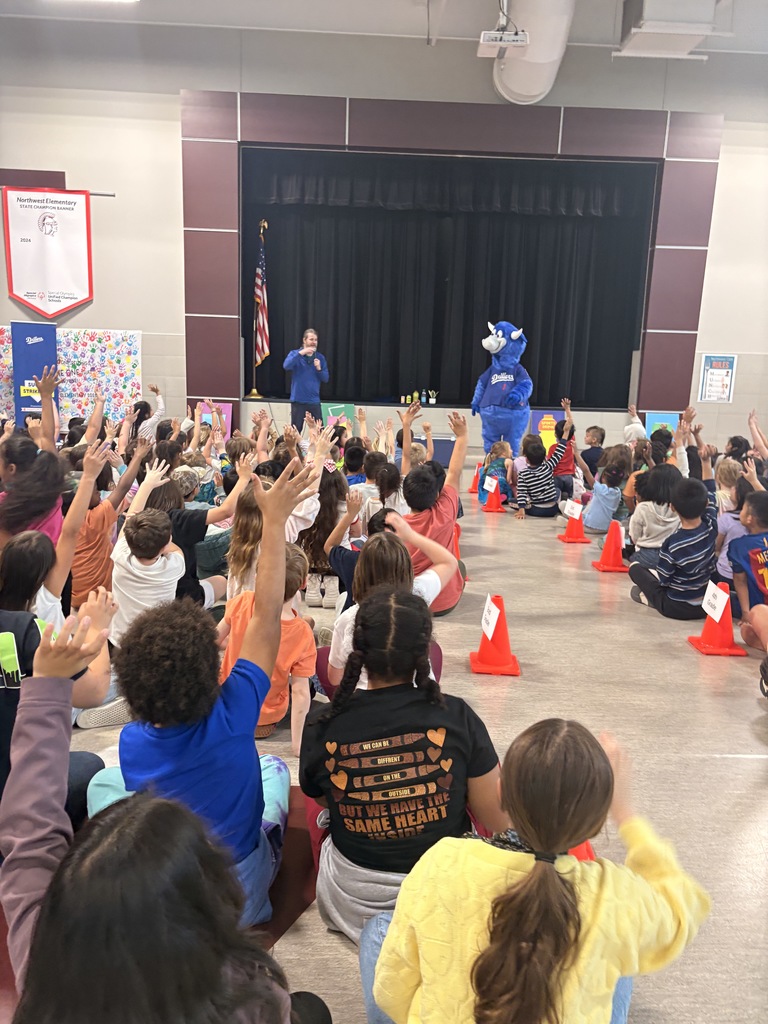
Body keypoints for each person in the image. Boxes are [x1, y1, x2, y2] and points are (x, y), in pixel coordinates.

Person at [0, 617, 333, 1024]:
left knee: (105, 777)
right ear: (207, 896)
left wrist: (47, 690)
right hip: (249, 890)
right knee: (310, 1009)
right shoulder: (244, 996)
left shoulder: (40, 951)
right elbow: (27, 831)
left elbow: (27, 831)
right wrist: (48, 688)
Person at [88, 459, 318, 928]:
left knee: (104, 783)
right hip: (241, 894)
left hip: (171, 888)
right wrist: (274, 525)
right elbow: (267, 613)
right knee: (272, 768)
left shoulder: (134, 742)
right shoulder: (236, 708)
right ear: (211, 667)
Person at [372, 720, 710, 1024]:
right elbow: (682, 907)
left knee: (378, 928)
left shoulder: (442, 862)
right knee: (617, 953)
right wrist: (626, 813)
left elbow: (390, 993)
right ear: (594, 825)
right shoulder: (614, 897)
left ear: (501, 792)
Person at [299, 587, 508, 945]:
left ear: (357, 651)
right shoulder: (458, 716)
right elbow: (497, 820)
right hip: (444, 892)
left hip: (355, 901)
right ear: (425, 652)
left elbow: (322, 800)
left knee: (313, 807)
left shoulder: (322, 722)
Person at [326, 510, 458, 689]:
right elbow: (449, 562)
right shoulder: (417, 595)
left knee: (322, 661)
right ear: (406, 568)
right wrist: (411, 535)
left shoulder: (349, 618)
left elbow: (335, 679)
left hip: (366, 706)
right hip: (419, 704)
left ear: (361, 570)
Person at [221, 544, 316, 754]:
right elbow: (299, 692)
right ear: (303, 583)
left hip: (226, 713)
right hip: (264, 723)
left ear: (257, 577)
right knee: (309, 686)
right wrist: (298, 744)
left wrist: (236, 643)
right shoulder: (301, 633)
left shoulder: (242, 602)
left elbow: (212, 639)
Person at [629, 445, 717, 619]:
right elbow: (711, 491)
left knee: (635, 570)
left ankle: (648, 599)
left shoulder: (673, 543)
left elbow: (664, 579)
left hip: (676, 607)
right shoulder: (711, 526)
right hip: (705, 605)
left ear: (673, 507)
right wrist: (706, 462)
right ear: (706, 504)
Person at [70, 437, 152, 608]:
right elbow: (125, 486)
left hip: (72, 594)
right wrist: (137, 457)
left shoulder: (64, 520)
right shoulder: (96, 516)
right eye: (94, 492)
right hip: (99, 595)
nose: (99, 494)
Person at [403, 409, 468, 616]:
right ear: (438, 493)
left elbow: (405, 457)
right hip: (444, 604)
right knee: (459, 566)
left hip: (410, 605)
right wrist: (463, 436)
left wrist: (406, 425)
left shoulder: (397, 526)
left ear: (405, 493)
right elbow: (455, 472)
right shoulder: (445, 511)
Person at [513, 399, 574, 520]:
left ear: (526, 459)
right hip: (553, 509)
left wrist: (521, 510)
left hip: (536, 510)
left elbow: (521, 494)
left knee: (512, 501)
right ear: (544, 456)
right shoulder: (549, 466)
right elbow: (561, 448)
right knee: (556, 491)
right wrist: (566, 431)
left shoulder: (523, 474)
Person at [729, 490, 768, 650]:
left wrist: (746, 614)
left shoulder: (738, 546)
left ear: (750, 519)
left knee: (719, 598)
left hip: (757, 606)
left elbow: (740, 581)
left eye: (743, 509)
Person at [627, 463, 682, 569]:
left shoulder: (643, 507)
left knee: (633, 563)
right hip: (671, 558)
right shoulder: (680, 508)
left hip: (646, 556)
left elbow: (635, 535)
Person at [283, 329, 329, 432]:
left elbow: (325, 378)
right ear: (304, 340)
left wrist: (319, 369)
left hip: (314, 401)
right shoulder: (295, 354)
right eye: (311, 339)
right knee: (295, 431)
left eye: (316, 340)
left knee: (319, 431)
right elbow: (286, 366)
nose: (314, 342)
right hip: (298, 400)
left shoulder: (320, 358)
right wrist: (301, 353)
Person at [548, 417, 576, 500]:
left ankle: (556, 507)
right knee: (569, 498)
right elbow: (570, 429)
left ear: (555, 434)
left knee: (556, 495)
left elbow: (550, 463)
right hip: (569, 477)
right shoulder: (572, 446)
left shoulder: (553, 448)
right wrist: (567, 409)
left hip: (557, 476)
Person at [478, 441, 513, 507]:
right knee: (506, 486)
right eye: (510, 449)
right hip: (499, 484)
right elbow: (508, 480)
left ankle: (490, 498)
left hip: (488, 485)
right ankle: (501, 496)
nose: (512, 451)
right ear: (504, 453)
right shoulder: (509, 461)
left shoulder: (491, 462)